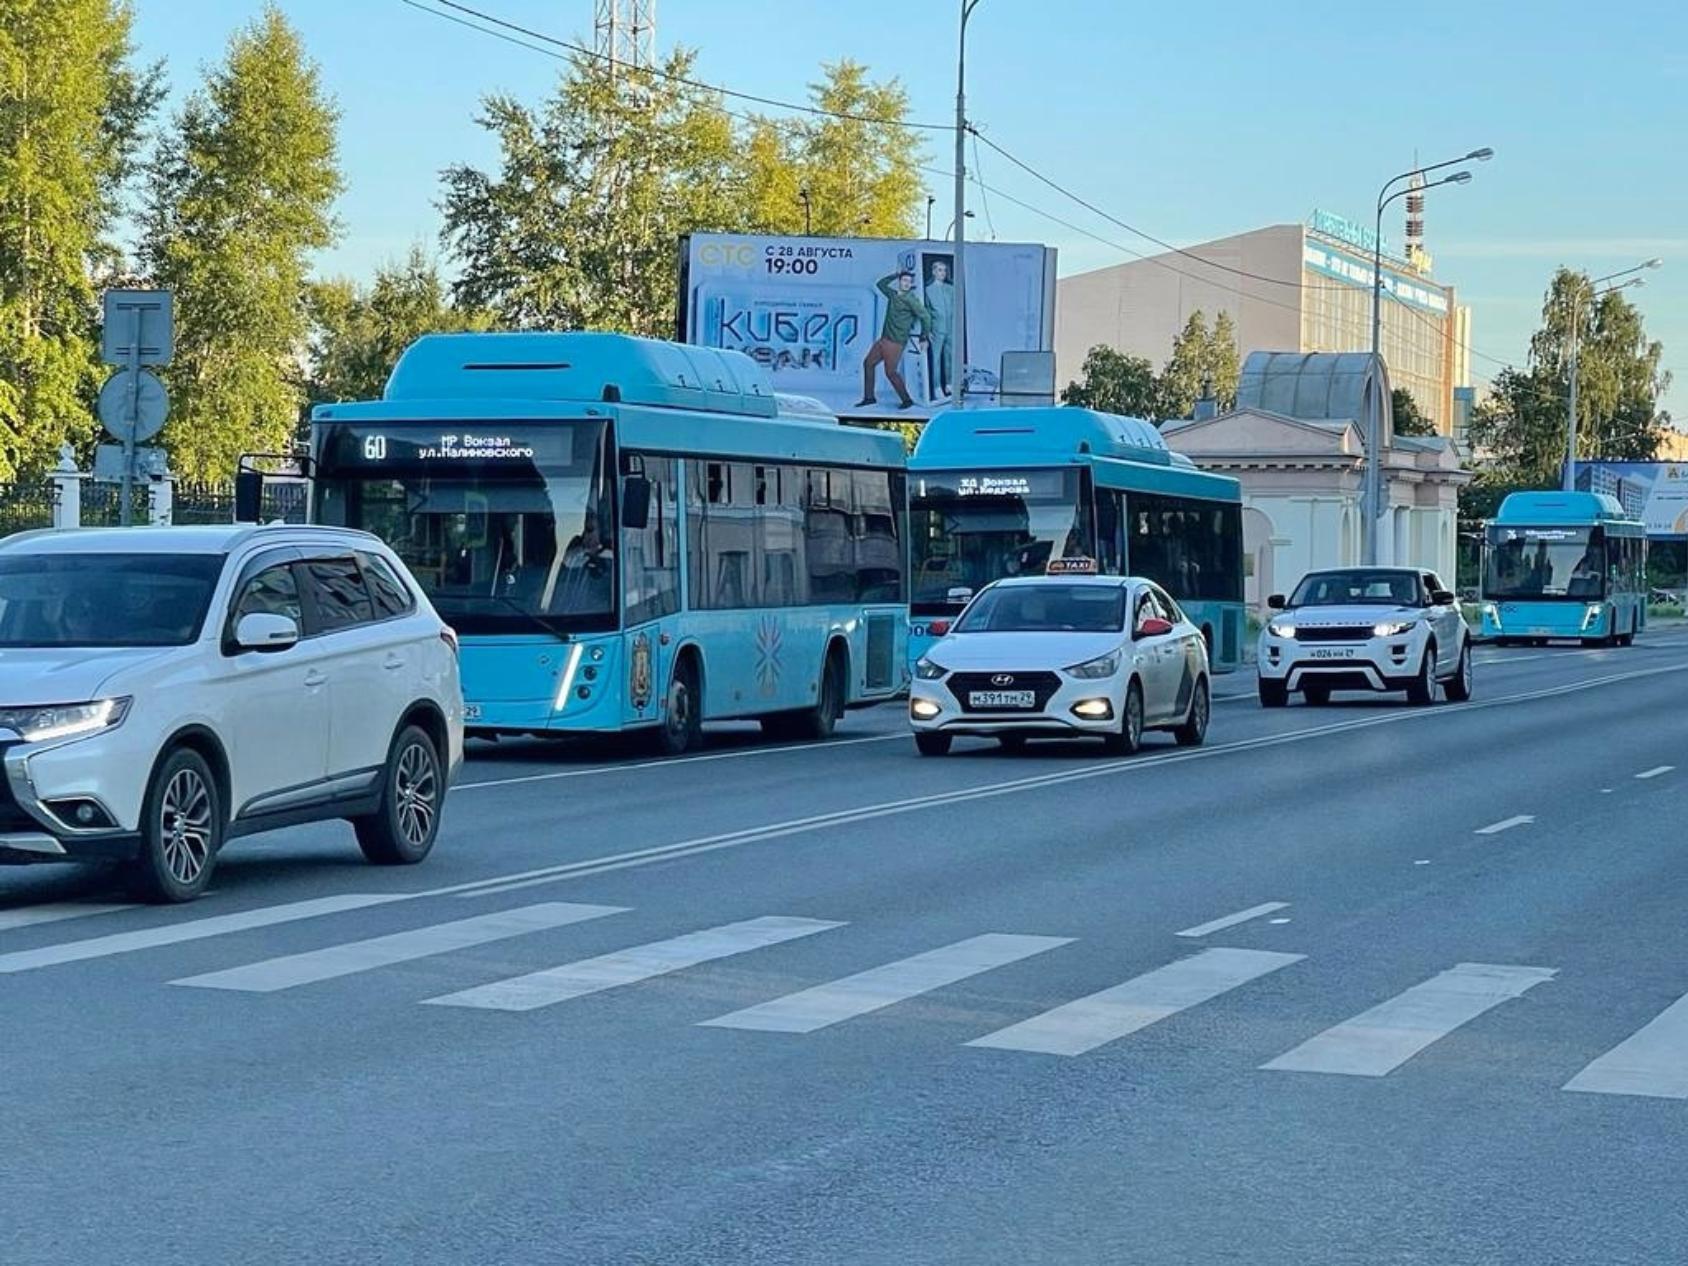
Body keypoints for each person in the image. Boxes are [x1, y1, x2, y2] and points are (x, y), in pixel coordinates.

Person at [856, 272, 936, 410]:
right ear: (899, 281)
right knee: (868, 363)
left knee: (890, 372)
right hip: (883, 339)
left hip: (895, 342)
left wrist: (924, 337)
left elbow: (926, 317)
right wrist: (895, 274)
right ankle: (869, 398)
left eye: (909, 281)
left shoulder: (911, 300)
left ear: (911, 285)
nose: (906, 283)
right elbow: (880, 284)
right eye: (904, 280)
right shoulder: (893, 295)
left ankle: (907, 400)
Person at [924, 260, 955, 398]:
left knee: (950, 357)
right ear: (933, 272)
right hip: (937, 328)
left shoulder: (951, 289)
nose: (943, 273)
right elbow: (926, 312)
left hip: (951, 328)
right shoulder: (927, 290)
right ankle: (936, 387)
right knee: (936, 359)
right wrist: (927, 330)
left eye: (944, 270)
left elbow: (955, 309)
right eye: (940, 270)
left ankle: (949, 384)